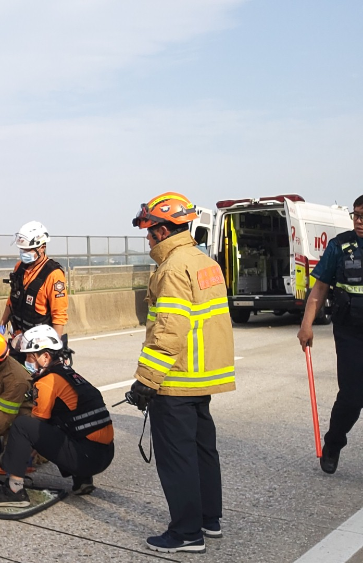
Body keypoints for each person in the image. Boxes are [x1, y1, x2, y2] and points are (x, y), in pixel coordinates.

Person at [124, 192, 235, 554]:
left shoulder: (172, 268)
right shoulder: (204, 262)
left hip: (176, 378)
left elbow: (169, 329)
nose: (147, 237)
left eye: (149, 230)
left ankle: (186, 533)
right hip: (201, 376)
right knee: (203, 451)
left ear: (162, 230)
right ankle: (208, 519)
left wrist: (146, 380)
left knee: (178, 458)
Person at [0, 326, 114, 506]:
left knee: (22, 425)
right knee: (63, 421)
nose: (26, 361)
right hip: (105, 454)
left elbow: (34, 427)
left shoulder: (46, 382)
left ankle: (14, 490)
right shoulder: (71, 375)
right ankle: (82, 480)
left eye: (30, 356)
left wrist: (13, 458)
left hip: (86, 459)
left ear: (45, 357)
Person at [298, 194, 363, 474]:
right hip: (350, 331)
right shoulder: (339, 246)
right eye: (357, 215)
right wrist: (306, 325)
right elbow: (320, 289)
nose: (359, 221)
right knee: (352, 397)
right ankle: (333, 444)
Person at [0, 221, 69, 347]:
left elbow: (59, 315)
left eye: (28, 250)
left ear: (42, 247)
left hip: (40, 343)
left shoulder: (54, 274)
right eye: (22, 249)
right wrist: (1, 325)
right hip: (18, 338)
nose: (24, 253)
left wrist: (55, 347)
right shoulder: (19, 267)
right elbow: (11, 301)